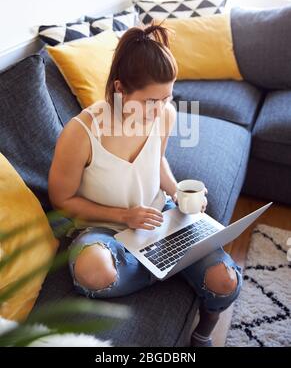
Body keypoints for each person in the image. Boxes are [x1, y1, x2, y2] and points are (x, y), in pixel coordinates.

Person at [48, 21, 242, 347]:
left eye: (167, 97)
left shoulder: (164, 114)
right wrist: (124, 217)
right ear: (121, 89)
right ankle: (171, 265)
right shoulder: (80, 133)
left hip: (158, 218)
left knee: (225, 280)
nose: (160, 109)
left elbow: (158, 160)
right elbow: (61, 199)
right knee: (93, 273)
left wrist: (177, 190)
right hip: (104, 229)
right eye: (152, 101)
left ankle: (201, 332)